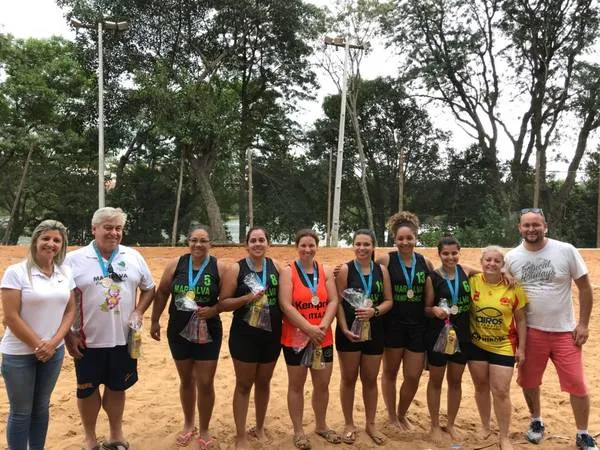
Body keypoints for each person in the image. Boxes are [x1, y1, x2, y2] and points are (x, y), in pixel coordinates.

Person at [505, 208, 597, 450]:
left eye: (536, 225)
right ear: (519, 228)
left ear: (545, 226)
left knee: (577, 383)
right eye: (526, 225)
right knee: (528, 381)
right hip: (531, 332)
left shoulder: (565, 250)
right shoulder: (512, 257)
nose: (531, 229)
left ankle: (583, 433)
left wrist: (584, 324)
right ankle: (536, 421)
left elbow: (585, 288)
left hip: (566, 332)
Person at [65, 208, 156, 450]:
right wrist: (67, 334)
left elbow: (149, 288)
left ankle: (116, 435)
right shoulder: (73, 259)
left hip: (124, 340)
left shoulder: (133, 256)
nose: (113, 233)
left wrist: (138, 311)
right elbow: (60, 298)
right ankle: (90, 438)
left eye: (118, 228)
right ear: (94, 229)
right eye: (108, 227)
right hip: (86, 340)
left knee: (117, 388)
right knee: (87, 391)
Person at [1, 220, 76, 450]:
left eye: (56, 240)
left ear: (61, 246)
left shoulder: (64, 272)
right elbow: (11, 317)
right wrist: (38, 345)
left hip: (53, 353)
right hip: (19, 354)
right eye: (46, 238)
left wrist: (53, 344)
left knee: (41, 408)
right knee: (21, 412)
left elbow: (71, 309)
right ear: (35, 241)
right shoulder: (16, 272)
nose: (50, 244)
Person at [150, 225, 226, 450]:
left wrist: (216, 310)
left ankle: (204, 429)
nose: (198, 245)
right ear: (188, 242)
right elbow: (162, 291)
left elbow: (227, 299)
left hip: (208, 330)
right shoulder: (176, 264)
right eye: (194, 240)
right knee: (186, 380)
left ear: (210, 243)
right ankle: (188, 424)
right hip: (178, 330)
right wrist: (155, 320)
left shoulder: (219, 267)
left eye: (203, 241)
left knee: (205, 382)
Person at [218, 226, 282, 449]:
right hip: (244, 335)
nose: (257, 244)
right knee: (244, 385)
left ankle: (260, 427)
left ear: (268, 243)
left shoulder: (277, 267)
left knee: (264, 383)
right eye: (253, 240)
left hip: (272, 335)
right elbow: (223, 303)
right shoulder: (236, 269)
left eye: (261, 240)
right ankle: (240, 434)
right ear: (246, 245)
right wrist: (248, 297)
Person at [279, 229, 341, 450]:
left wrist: (322, 325)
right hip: (295, 338)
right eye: (303, 245)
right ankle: (298, 431)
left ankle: (322, 426)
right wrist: (308, 328)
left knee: (321, 385)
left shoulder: (324, 270)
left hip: (322, 337)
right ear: (297, 247)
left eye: (311, 245)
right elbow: (285, 304)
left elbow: (333, 301)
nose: (307, 249)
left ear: (317, 246)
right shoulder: (288, 271)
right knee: (296, 385)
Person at [376, 211, 433, 430]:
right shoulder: (386, 259)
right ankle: (391, 417)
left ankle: (402, 413)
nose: (405, 242)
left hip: (418, 327)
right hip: (392, 326)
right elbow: (361, 269)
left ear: (416, 238)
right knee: (389, 372)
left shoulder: (425, 262)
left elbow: (442, 278)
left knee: (412, 375)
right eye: (401, 238)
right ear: (394, 239)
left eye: (409, 238)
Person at [335, 229, 393, 445]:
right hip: (349, 332)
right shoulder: (345, 270)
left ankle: (370, 424)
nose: (362, 248)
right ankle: (349, 423)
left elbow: (389, 300)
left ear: (373, 246)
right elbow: (338, 303)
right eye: (358, 244)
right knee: (349, 379)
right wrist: (343, 327)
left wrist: (374, 311)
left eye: (366, 244)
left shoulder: (382, 270)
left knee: (370, 379)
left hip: (375, 331)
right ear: (353, 246)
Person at [468, 245, 527, 450]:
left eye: (497, 261)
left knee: (501, 391)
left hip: (503, 346)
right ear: (482, 262)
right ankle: (485, 426)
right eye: (488, 260)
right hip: (476, 345)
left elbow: (520, 320)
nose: (491, 263)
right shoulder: (473, 281)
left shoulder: (513, 287)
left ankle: (504, 436)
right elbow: (458, 266)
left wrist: (522, 349)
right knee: (481, 387)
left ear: (503, 265)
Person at [424, 236, 479, 443]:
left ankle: (451, 424)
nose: (450, 257)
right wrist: (434, 310)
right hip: (439, 335)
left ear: (459, 252)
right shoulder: (433, 277)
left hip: (462, 335)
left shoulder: (465, 271)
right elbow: (426, 309)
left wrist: (506, 273)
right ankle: (435, 425)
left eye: (454, 253)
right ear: (439, 254)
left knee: (455, 381)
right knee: (436, 380)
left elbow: (490, 272)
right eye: (445, 253)